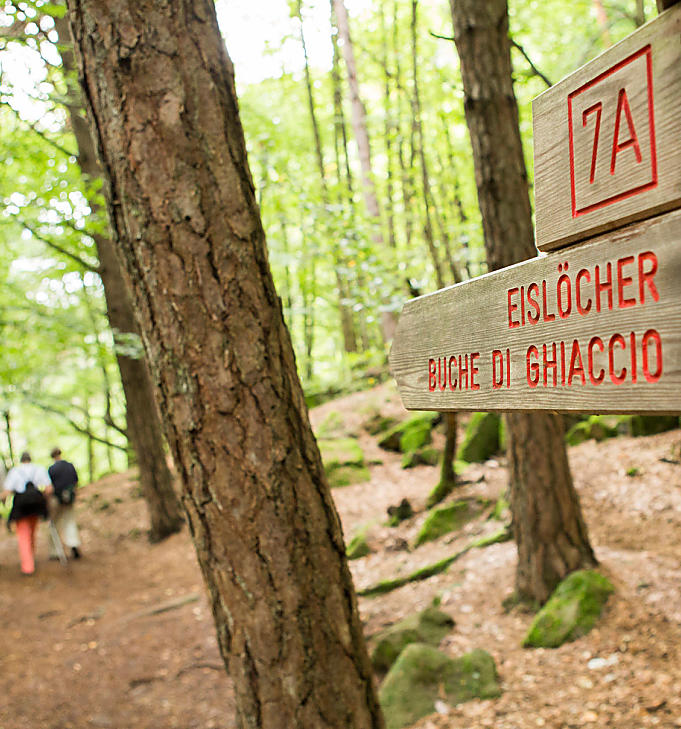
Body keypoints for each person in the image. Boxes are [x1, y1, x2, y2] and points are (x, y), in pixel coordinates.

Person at [1, 451, 50, 575]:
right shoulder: (39, 469)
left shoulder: (15, 471)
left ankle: (28, 566)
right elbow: (49, 488)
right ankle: (31, 556)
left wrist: (3, 499)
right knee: (32, 532)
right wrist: (42, 499)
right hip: (36, 506)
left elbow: (7, 491)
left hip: (21, 506)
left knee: (23, 535)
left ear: (21, 460)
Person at [47, 447, 82, 560]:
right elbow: (76, 482)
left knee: (54, 524)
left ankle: (55, 551)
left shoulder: (51, 469)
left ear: (52, 456)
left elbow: (49, 488)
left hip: (56, 500)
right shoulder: (69, 466)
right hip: (69, 499)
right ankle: (73, 544)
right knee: (70, 521)